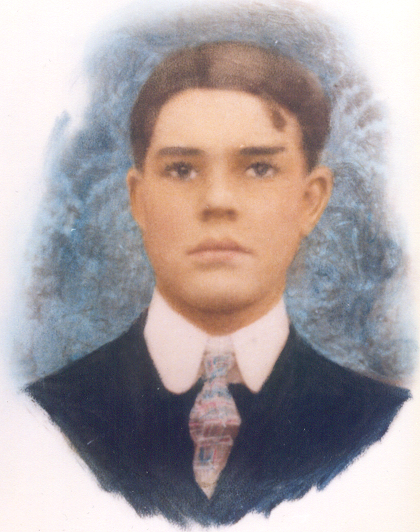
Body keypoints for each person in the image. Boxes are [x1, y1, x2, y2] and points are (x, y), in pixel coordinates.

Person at [26, 42, 410, 527]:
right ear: (139, 200)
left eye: (259, 168)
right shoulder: (47, 415)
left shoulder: (381, 424)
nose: (218, 201)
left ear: (310, 201)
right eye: (182, 169)